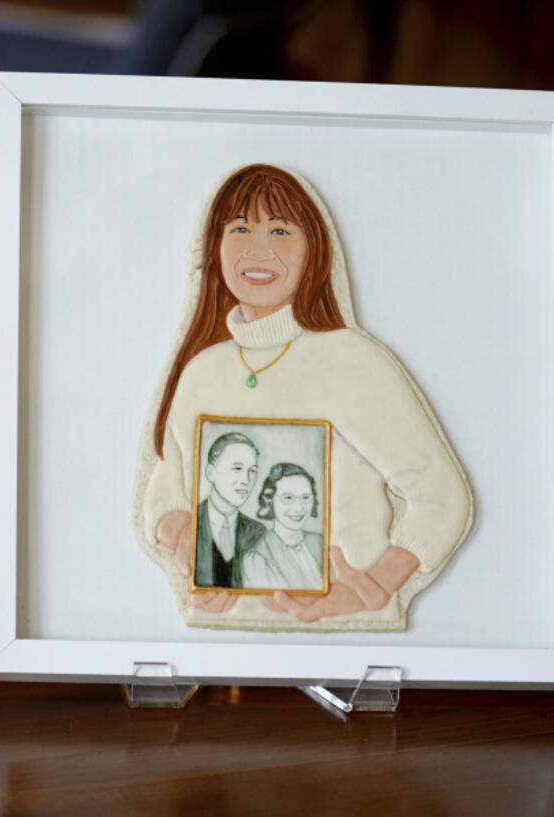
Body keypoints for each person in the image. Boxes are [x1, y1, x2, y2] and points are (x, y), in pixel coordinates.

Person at [134, 164, 472, 630]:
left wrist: (374, 586)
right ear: (214, 248)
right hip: (216, 654)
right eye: (239, 228)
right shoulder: (201, 370)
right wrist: (186, 540)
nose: (258, 248)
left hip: (347, 651)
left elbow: (440, 494)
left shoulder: (352, 361)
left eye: (279, 229)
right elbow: (167, 483)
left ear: (314, 250)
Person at [194, 431, 268, 589]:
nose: (246, 480)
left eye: (252, 471)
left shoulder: (259, 533)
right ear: (211, 473)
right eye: (237, 468)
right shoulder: (190, 523)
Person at [238, 462, 324, 591]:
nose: (299, 508)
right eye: (288, 498)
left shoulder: (321, 542)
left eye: (305, 498)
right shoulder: (258, 558)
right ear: (270, 500)